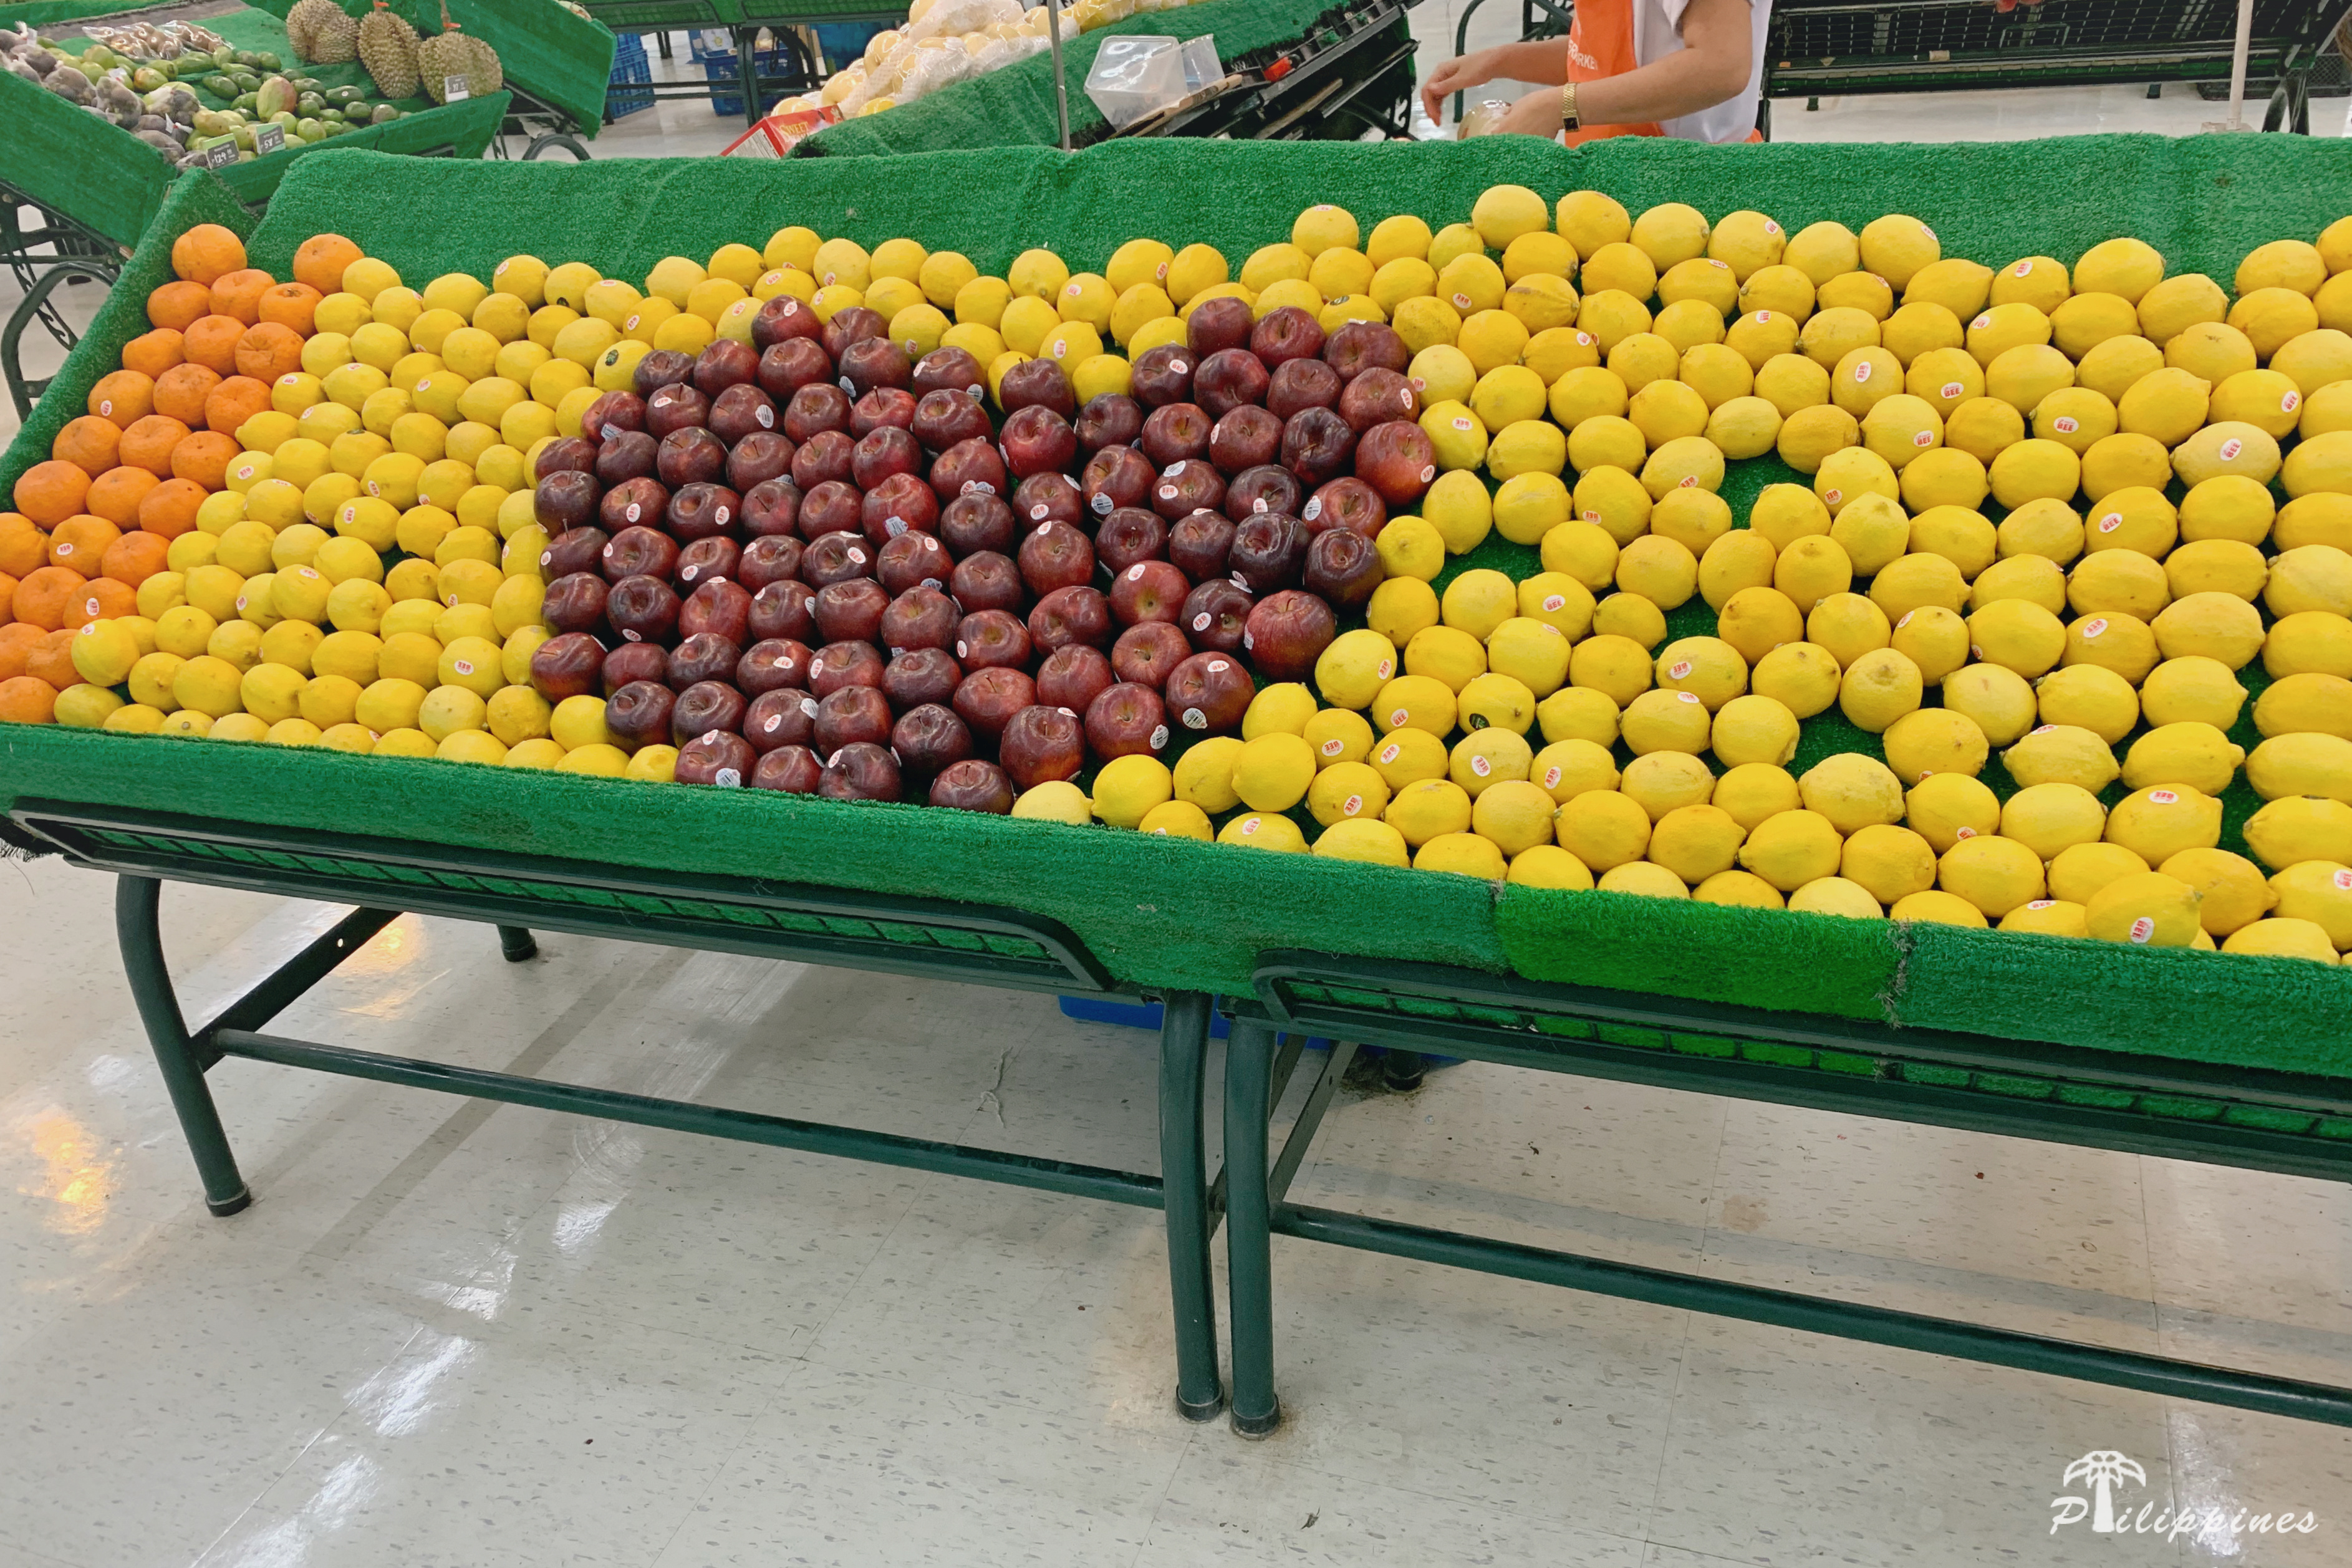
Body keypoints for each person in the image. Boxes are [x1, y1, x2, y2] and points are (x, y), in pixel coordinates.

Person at [1422, 0, 1774, 144]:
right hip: (1610, 174)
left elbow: (1721, 66)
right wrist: (1500, 61)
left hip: (1684, 182)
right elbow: (1602, 55)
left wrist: (1558, 106)